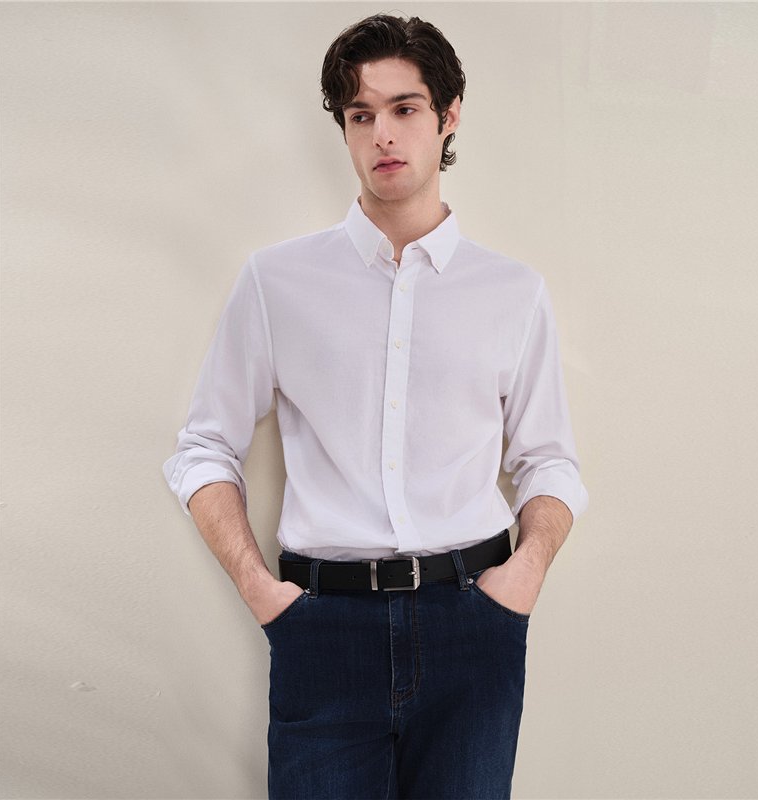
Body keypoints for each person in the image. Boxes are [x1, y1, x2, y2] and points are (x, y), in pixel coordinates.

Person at [164, 13, 587, 800]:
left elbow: (549, 460)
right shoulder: (277, 282)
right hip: (323, 630)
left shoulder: (512, 293)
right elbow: (202, 448)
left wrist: (523, 576)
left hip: (474, 623)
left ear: (448, 115)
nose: (383, 134)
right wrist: (261, 590)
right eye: (361, 115)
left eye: (404, 108)